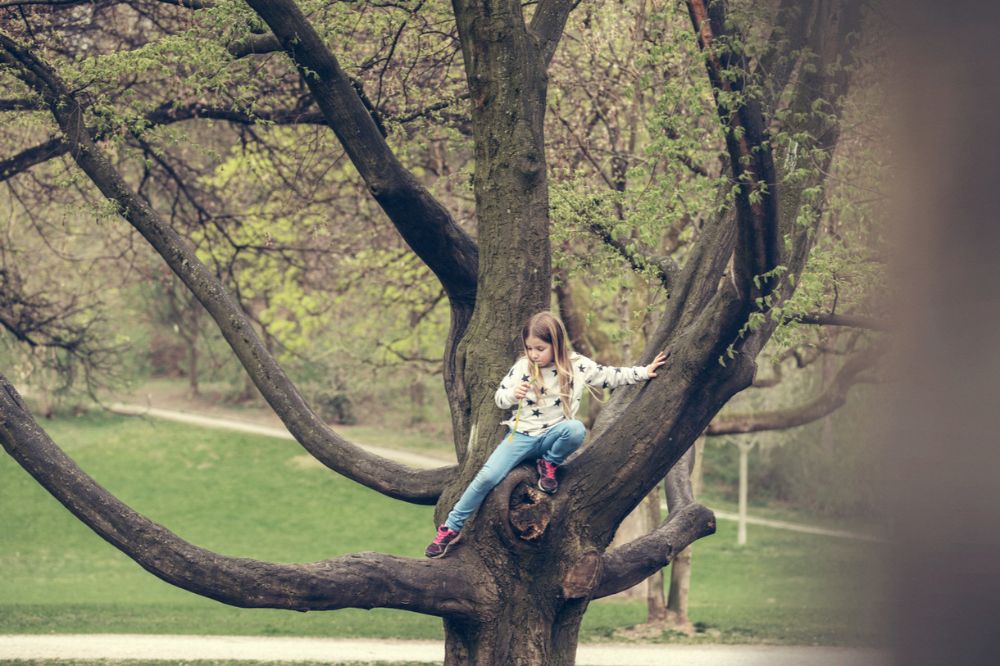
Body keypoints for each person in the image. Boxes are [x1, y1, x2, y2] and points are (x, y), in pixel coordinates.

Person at [425, 311, 667, 558]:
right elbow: (500, 398)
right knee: (486, 477)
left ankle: (549, 463)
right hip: (521, 437)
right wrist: (512, 395)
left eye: (540, 349)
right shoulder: (523, 367)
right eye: (529, 348)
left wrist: (644, 372)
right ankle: (450, 528)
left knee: (575, 429)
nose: (534, 354)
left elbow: (609, 376)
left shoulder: (576, 365)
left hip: (553, 435)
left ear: (556, 344)